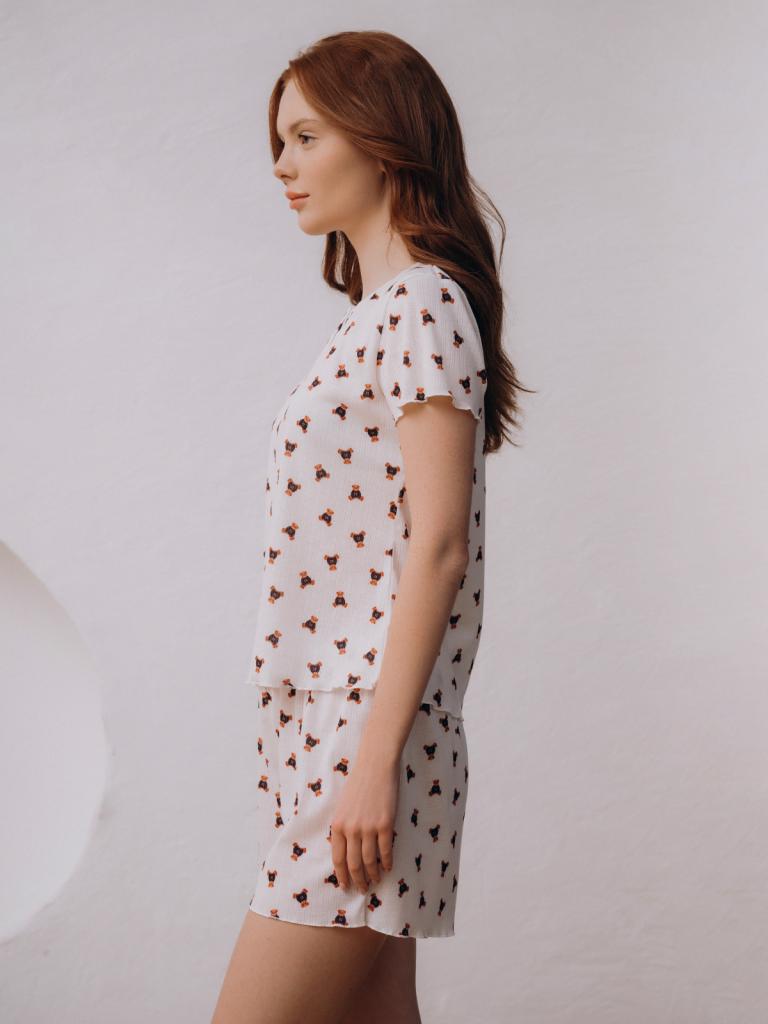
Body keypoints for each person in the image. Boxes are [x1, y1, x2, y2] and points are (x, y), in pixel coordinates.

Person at [212, 29, 530, 1024]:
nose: (282, 163)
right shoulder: (381, 313)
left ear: (383, 139)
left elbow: (439, 546)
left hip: (363, 732)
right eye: (280, 141)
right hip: (334, 731)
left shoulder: (423, 304)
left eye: (307, 137)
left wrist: (371, 764)